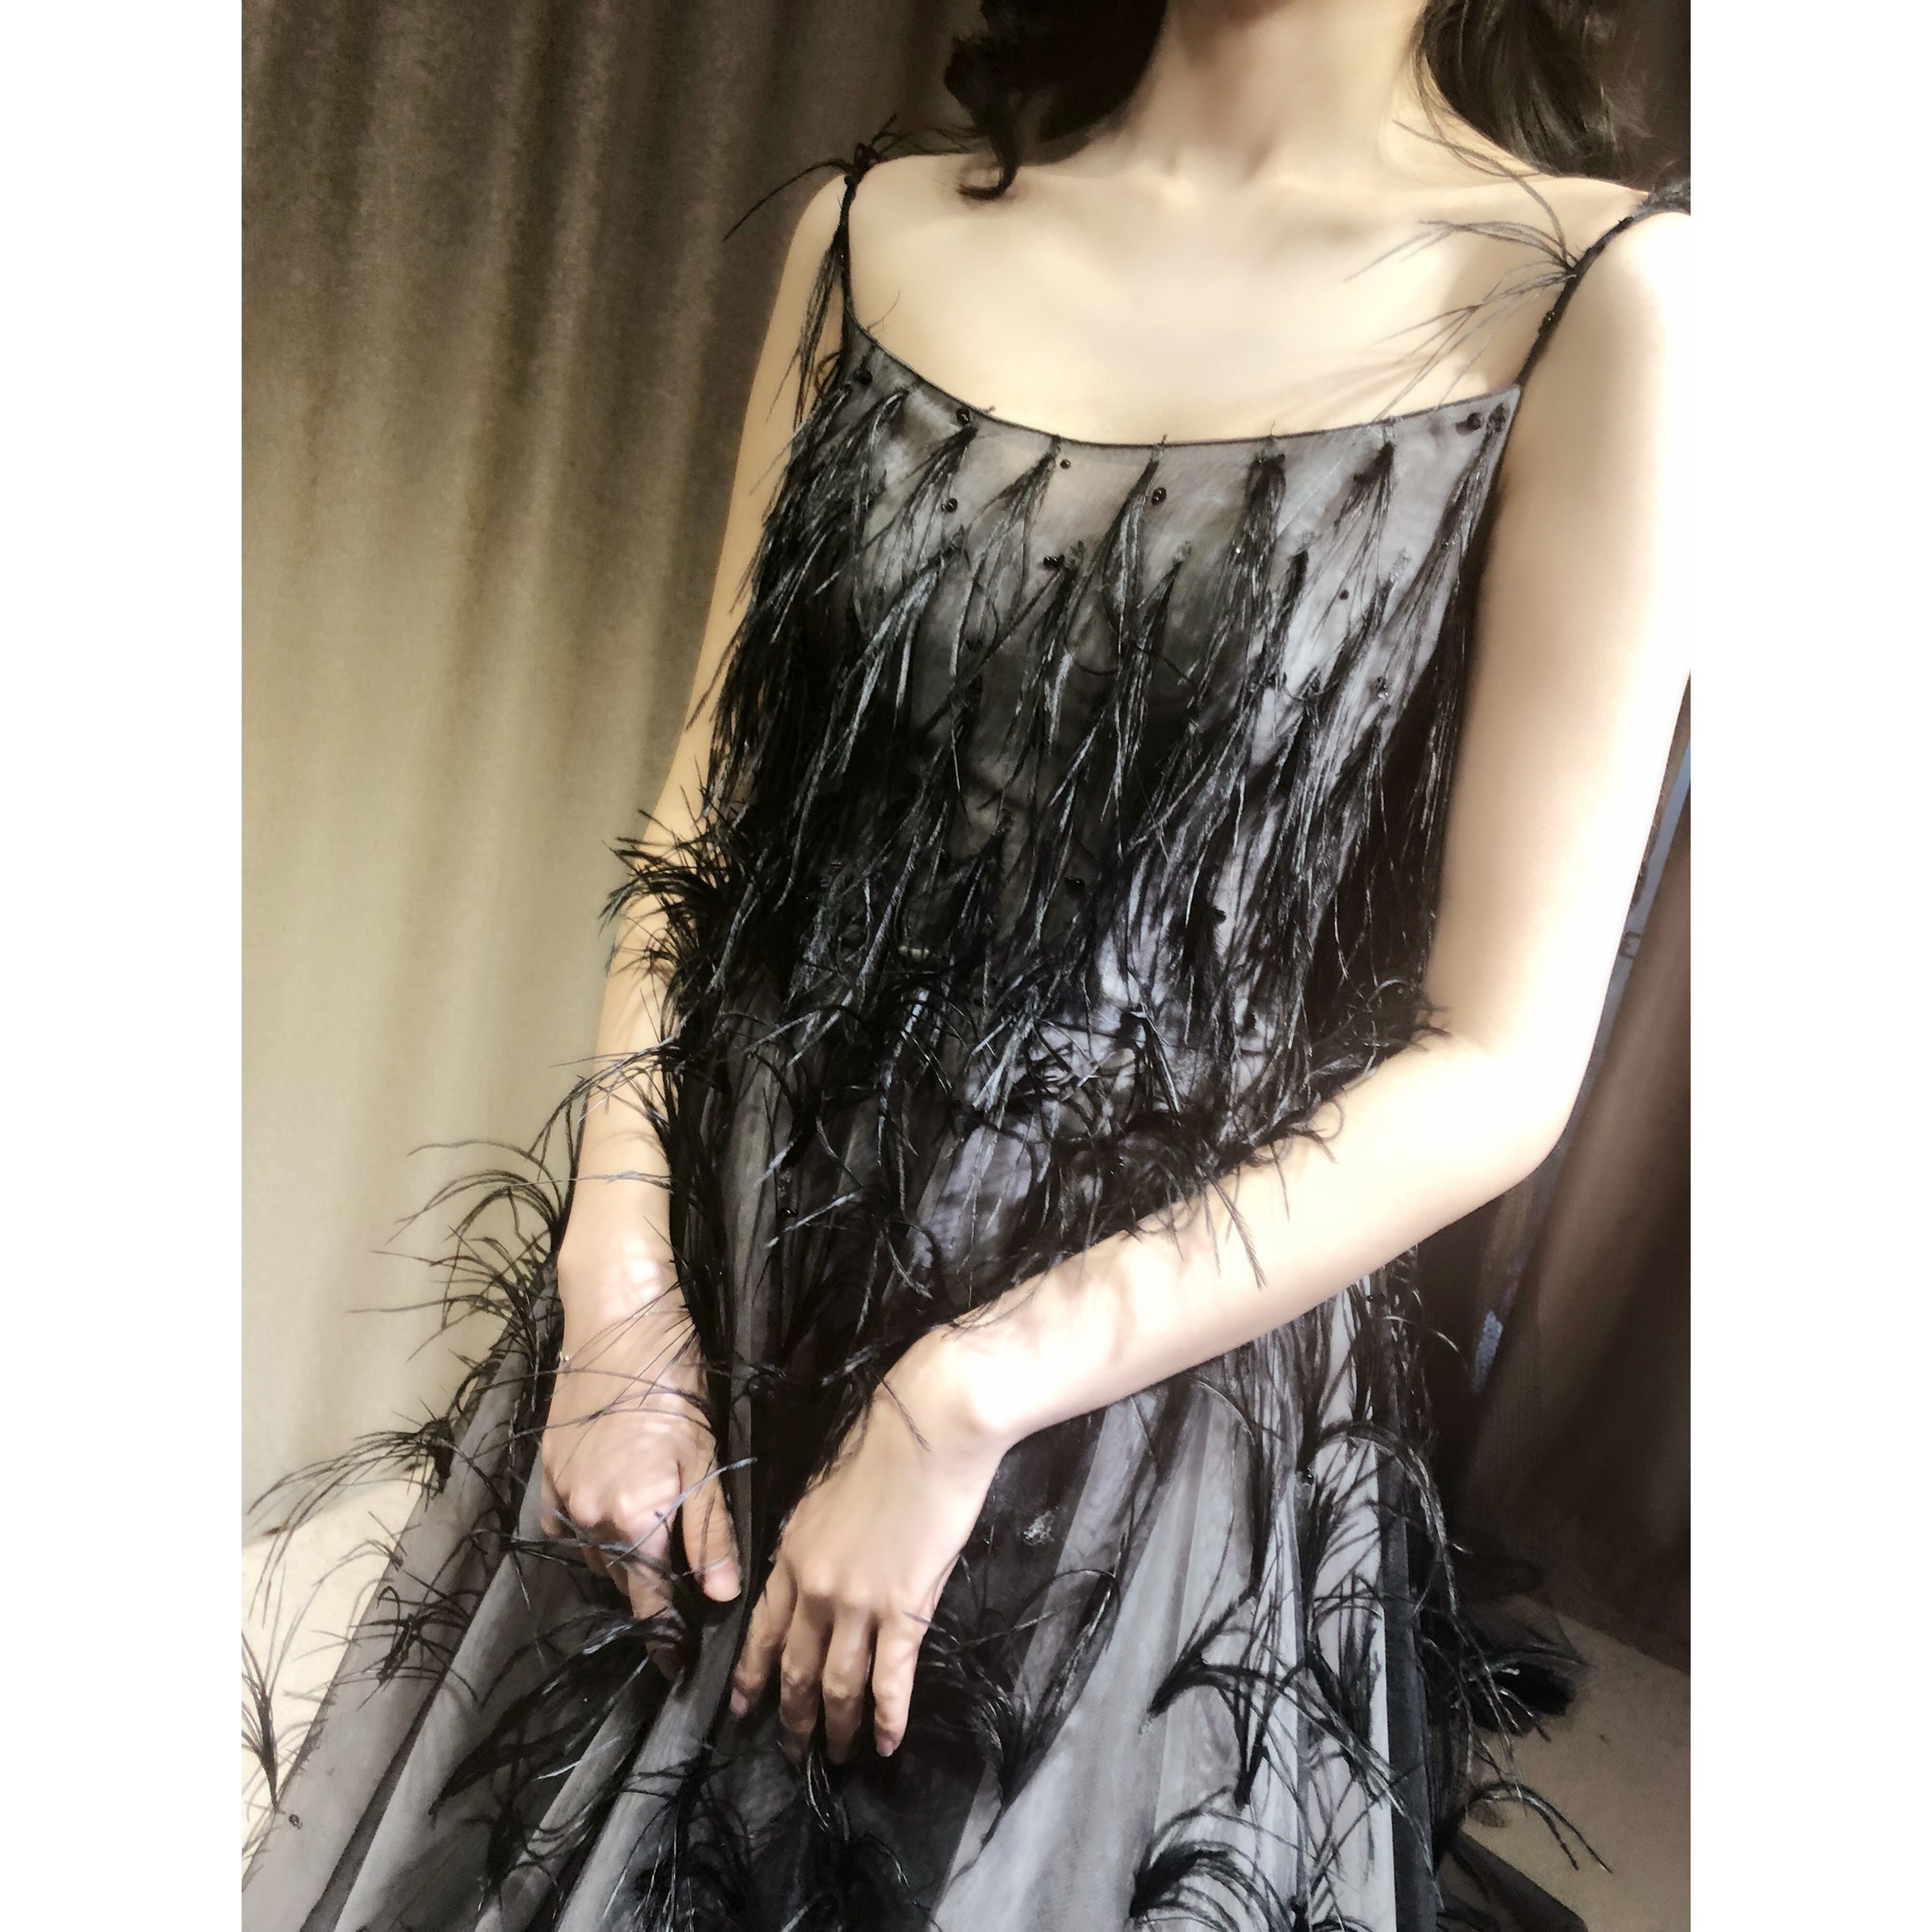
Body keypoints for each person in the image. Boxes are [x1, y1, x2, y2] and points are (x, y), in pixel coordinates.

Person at [245, 2, 1688, 1926]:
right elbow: (705, 815)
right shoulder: (876, 234)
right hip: (725, 1288)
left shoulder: (1597, 303)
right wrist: (613, 1286)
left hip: (1129, 1409)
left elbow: (1498, 1059)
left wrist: (970, 1397)